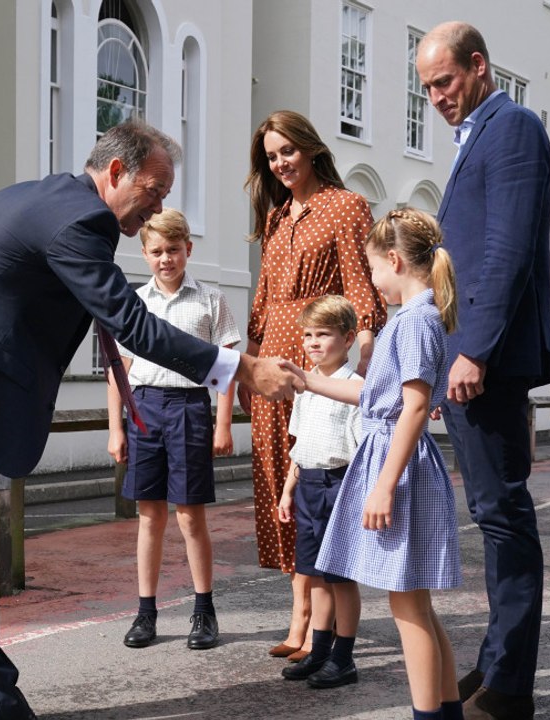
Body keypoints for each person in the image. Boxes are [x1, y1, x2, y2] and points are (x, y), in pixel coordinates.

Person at [0, 120, 301, 720]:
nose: (159, 206)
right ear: (116, 172)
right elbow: (133, 324)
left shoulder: (52, 197)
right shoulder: (80, 219)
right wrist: (243, 370)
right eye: (154, 190)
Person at [416, 22, 550, 720]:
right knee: (492, 514)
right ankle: (497, 661)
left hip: (488, 361)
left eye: (444, 81)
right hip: (471, 357)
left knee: (503, 516)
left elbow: (505, 250)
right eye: (426, 88)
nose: (436, 97)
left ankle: (509, 687)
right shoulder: (479, 132)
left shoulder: (513, 127)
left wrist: (472, 347)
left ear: (478, 66)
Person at [285, 209, 464, 720]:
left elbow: (412, 407)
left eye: (372, 269)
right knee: (416, 607)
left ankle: (429, 715)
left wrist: (384, 486)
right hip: (395, 460)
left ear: (393, 260)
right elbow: (374, 398)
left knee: (408, 609)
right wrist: (308, 379)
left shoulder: (414, 321)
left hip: (397, 467)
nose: (371, 279)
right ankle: (445, 714)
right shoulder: (414, 318)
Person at [242, 110, 388, 662]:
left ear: (309, 148)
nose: (280, 163)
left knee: (317, 483)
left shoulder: (345, 205)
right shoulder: (278, 216)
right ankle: (299, 610)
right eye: (271, 156)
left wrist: (368, 359)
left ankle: (314, 619)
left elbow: (361, 286)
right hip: (272, 366)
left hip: (317, 362)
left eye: (287, 151)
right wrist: (248, 367)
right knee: (283, 486)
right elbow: (260, 303)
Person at [105, 208, 240, 652]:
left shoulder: (210, 300)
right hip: (144, 408)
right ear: (143, 253)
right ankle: (146, 612)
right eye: (157, 251)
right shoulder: (135, 303)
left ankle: (204, 610)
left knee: (189, 515)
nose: (166, 259)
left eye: (174, 250)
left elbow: (227, 367)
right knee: (150, 515)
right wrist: (116, 429)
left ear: (188, 250)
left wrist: (223, 423)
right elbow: (118, 373)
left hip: (189, 408)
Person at [275, 295, 363, 688]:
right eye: (308, 334)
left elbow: (362, 450)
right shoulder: (305, 386)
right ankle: (320, 651)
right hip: (309, 485)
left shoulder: (355, 387)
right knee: (314, 576)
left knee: (340, 578)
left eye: (323, 334)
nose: (312, 342)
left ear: (347, 339)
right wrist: (288, 491)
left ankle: (343, 658)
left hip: (339, 485)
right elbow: (301, 446)